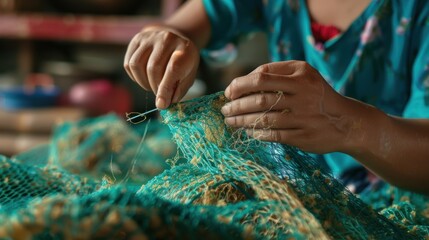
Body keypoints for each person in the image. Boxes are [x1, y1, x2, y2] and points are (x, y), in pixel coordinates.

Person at [124, 0, 429, 195]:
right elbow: (181, 26)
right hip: (292, 184)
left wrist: (348, 125)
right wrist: (167, 40)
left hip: (393, 197)